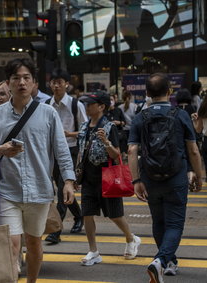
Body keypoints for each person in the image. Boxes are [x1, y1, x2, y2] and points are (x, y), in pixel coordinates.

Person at [0, 58, 75, 282]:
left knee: (34, 244)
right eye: (16, 78)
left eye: (26, 78)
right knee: (11, 246)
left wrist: (68, 181)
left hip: (39, 191)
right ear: (8, 83)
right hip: (7, 191)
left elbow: (61, 150)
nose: (21, 82)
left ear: (34, 83)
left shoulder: (48, 114)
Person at [128, 73, 202, 282]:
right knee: (175, 224)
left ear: (147, 94)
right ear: (170, 92)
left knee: (159, 221)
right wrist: (198, 175)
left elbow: (133, 150)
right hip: (176, 177)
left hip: (150, 177)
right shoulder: (180, 115)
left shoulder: (140, 117)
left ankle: (170, 262)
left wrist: (136, 181)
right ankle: (160, 261)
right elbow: (193, 150)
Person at [78, 91, 141, 266]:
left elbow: (116, 155)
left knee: (115, 215)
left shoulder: (109, 127)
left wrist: (106, 141)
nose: (87, 106)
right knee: (87, 214)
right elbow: (81, 151)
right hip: (88, 179)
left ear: (101, 107)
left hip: (107, 178)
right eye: (86, 104)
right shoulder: (84, 126)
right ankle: (93, 251)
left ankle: (131, 238)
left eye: (90, 104)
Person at [45, 68, 87, 245]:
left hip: (71, 150)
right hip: (52, 151)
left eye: (60, 82)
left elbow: (86, 129)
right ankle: (79, 216)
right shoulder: (46, 104)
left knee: (63, 189)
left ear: (67, 85)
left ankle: (56, 230)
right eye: (54, 82)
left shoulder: (76, 104)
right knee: (63, 188)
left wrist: (69, 134)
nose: (56, 85)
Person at [118, 90, 137, 157]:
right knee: (131, 149)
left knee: (124, 150)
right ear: (131, 97)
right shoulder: (135, 106)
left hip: (123, 131)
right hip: (132, 130)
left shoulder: (119, 107)